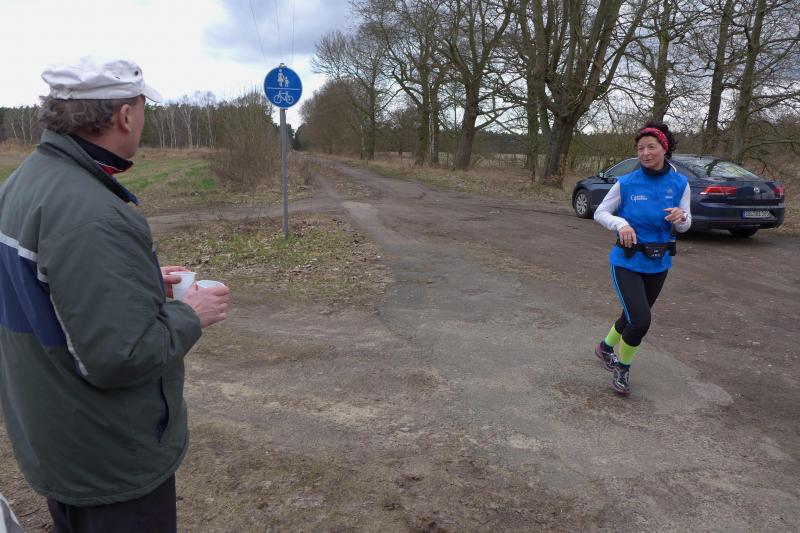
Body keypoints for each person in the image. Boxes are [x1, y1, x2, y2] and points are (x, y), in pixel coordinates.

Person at [0, 57, 229, 532]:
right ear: (125, 115)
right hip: (108, 458)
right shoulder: (92, 215)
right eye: (143, 109)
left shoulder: (22, 183)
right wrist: (191, 314)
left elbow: (41, 290)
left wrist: (135, 279)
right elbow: (121, 357)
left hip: (55, 437)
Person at [592, 121, 691, 395]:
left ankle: (605, 347)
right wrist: (621, 224)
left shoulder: (680, 183)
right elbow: (601, 212)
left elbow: (686, 224)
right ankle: (622, 368)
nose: (645, 153)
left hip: (659, 262)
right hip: (627, 261)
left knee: (633, 314)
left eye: (651, 147)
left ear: (664, 148)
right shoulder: (627, 182)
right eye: (640, 148)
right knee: (641, 319)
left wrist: (682, 218)